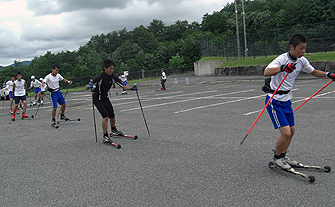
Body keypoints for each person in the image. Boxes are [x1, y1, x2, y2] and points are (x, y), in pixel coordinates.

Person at [264, 34, 335, 170]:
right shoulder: (282, 59)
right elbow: (267, 72)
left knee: (292, 130)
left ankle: (283, 156)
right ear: (292, 47)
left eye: (304, 48)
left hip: (287, 100)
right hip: (275, 100)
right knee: (286, 133)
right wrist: (283, 68)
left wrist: (328, 75)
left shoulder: (301, 60)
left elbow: (313, 72)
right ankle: (277, 158)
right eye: (301, 48)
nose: (303, 51)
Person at [85, 59, 137, 143]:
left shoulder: (113, 77)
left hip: (105, 98)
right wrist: (89, 85)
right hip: (97, 99)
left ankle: (113, 129)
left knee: (112, 115)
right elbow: (86, 87)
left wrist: (132, 88)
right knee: (105, 116)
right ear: (105, 68)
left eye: (113, 69)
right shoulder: (99, 77)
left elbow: (123, 86)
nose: (112, 70)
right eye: (110, 69)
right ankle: (105, 136)